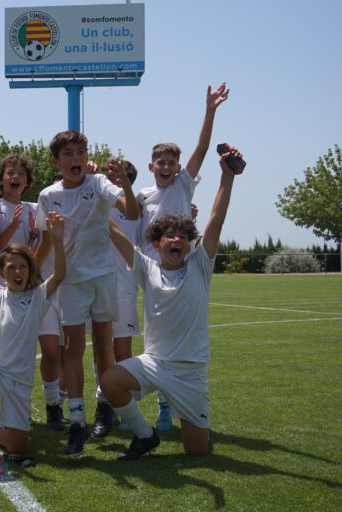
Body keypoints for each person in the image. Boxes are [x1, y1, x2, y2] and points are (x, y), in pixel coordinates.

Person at [102, 147, 243, 460]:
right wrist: (96, 197)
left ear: (189, 241)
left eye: (182, 236)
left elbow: (216, 220)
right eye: (169, 236)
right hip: (155, 364)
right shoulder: (147, 267)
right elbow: (116, 235)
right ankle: (145, 435)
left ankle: (185, 421)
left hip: (190, 371)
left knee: (196, 451)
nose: (177, 240)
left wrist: (226, 177)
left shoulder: (200, 265)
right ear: (157, 243)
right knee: (110, 381)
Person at [35, 130, 138, 457]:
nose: (75, 158)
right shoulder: (48, 195)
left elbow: (132, 212)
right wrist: (30, 278)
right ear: (56, 161)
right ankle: (77, 423)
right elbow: (47, 241)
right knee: (73, 349)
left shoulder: (98, 183)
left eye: (80, 152)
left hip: (104, 276)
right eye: (68, 153)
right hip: (71, 281)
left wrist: (126, 185)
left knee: (104, 348)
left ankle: (104, 409)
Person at [136, 82, 229, 431]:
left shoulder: (182, 185)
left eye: (171, 162)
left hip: (185, 268)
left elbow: (203, 148)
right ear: (151, 165)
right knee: (157, 336)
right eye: (160, 161)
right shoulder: (143, 195)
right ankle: (163, 405)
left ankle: (173, 404)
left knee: (181, 333)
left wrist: (210, 111)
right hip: (154, 273)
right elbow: (132, 228)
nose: (166, 166)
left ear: (177, 168)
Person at [0, 203, 66, 474]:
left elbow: (61, 275)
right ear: (2, 271)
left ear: (30, 270)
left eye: (22, 267)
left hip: (19, 379)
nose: (17, 272)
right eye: (10, 268)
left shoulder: (38, 297)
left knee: (19, 446)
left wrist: (57, 240)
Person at [0, 154, 67, 430]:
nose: (15, 177)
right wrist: (11, 229)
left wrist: (33, 255)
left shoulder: (35, 208)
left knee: (52, 349)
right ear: (3, 178)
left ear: (28, 181)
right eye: (10, 173)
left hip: (36, 289)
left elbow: (47, 244)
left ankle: (53, 405)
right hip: (4, 294)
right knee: (0, 352)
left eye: (21, 173)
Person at [85, 160, 142, 439]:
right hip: (91, 282)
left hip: (124, 288)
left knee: (122, 352)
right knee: (100, 352)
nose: (109, 178)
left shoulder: (134, 207)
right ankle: (103, 407)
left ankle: (126, 406)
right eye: (106, 174)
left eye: (118, 175)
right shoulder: (92, 194)